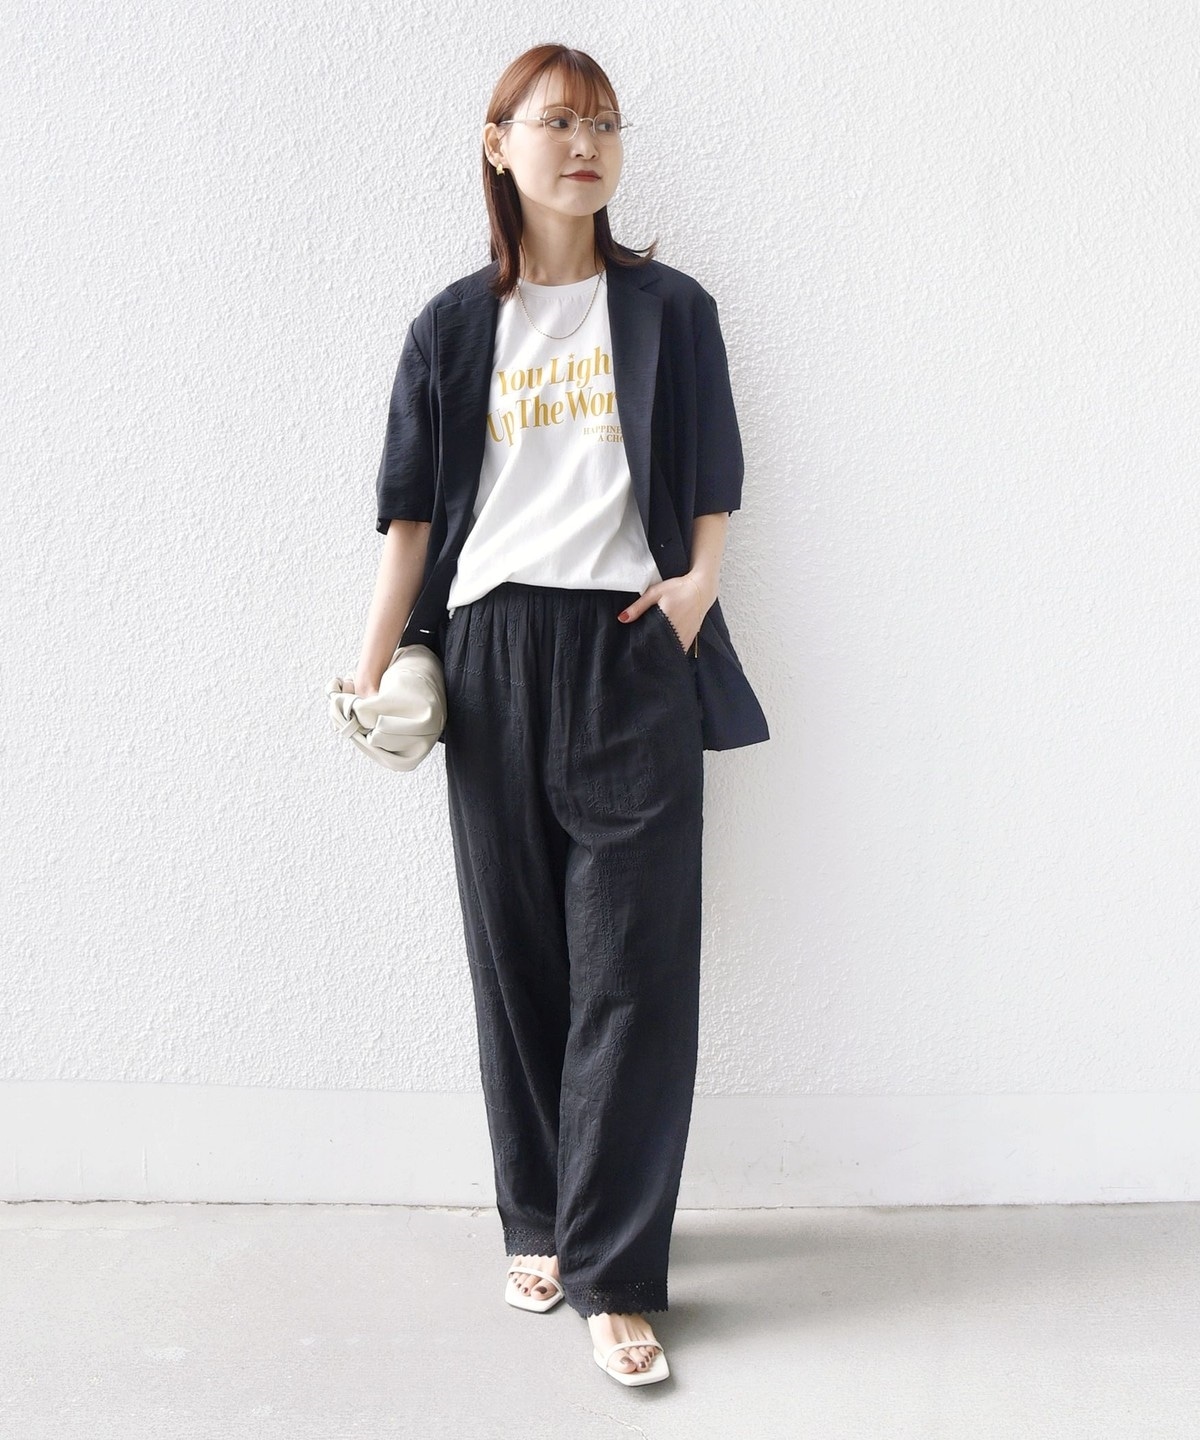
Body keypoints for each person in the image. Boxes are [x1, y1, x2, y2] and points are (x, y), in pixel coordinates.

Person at [351, 43, 769, 1387]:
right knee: (519, 958)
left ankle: (615, 1275)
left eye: (603, 124)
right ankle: (536, 1217)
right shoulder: (450, 328)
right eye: (555, 122)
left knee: (635, 972)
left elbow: (714, 470)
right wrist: (371, 669)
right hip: (490, 655)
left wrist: (697, 588)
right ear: (499, 145)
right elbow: (411, 520)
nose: (584, 145)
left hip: (630, 644)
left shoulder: (672, 310)